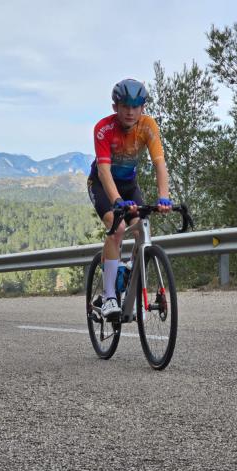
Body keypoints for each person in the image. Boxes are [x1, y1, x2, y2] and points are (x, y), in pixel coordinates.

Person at [87, 78, 172, 320]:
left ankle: (130, 283)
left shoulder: (148, 126)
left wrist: (164, 197)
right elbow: (104, 171)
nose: (130, 112)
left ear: (143, 107)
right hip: (102, 184)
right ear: (115, 107)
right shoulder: (103, 129)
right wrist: (116, 200)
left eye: (136, 106)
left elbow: (159, 163)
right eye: (125, 106)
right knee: (118, 228)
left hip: (129, 186)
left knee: (142, 229)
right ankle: (109, 296)